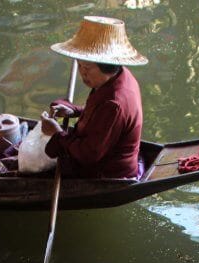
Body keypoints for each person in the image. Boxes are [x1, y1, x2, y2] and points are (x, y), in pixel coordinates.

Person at [40, 16, 146, 179]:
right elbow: (100, 114)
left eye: (87, 67)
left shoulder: (114, 102)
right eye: (79, 65)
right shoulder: (119, 75)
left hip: (106, 172)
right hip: (99, 150)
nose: (82, 72)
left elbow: (89, 155)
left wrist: (57, 133)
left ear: (106, 65)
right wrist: (74, 111)